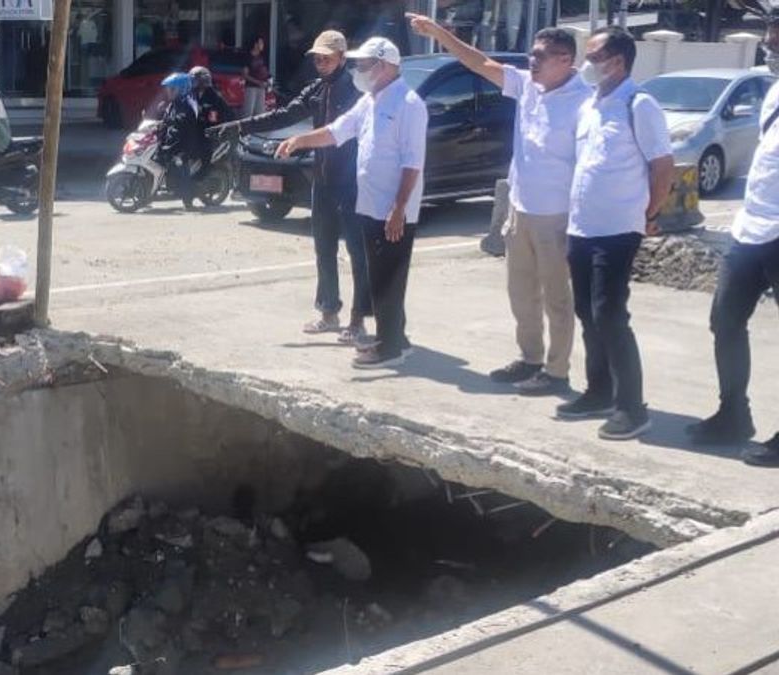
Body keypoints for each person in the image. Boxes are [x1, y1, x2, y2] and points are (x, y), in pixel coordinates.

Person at [408, 16, 589, 396]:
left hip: (557, 215)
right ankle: (530, 358)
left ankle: (557, 372)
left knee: (557, 296)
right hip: (520, 208)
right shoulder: (527, 86)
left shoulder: (585, 102)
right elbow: (478, 62)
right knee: (521, 292)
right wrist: (440, 34)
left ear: (565, 60)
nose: (531, 62)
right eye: (531, 55)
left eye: (539, 56)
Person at [208, 31, 370, 344]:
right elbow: (284, 115)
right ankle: (328, 312)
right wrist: (240, 125)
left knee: (356, 251)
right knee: (324, 248)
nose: (320, 63)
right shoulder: (317, 89)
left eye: (326, 57)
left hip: (351, 182)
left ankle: (358, 319)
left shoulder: (356, 91)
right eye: (317, 58)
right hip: (322, 181)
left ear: (342, 57)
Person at [277, 37, 427, 369]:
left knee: (390, 276)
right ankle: (393, 339)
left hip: (394, 210)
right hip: (370, 206)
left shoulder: (409, 104)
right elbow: (335, 131)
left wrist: (399, 208)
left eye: (363, 65)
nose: (358, 71)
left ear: (385, 66)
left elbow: (412, 163)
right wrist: (300, 140)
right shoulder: (370, 102)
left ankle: (390, 347)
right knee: (379, 276)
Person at [554, 27, 674, 440]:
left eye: (592, 57)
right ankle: (599, 390)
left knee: (610, 313)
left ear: (617, 61)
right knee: (587, 312)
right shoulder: (590, 104)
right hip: (583, 227)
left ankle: (632, 407)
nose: (585, 65)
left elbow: (663, 167)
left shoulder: (639, 104)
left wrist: (647, 213)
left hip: (618, 229)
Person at [688, 15, 779, 464]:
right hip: (752, 227)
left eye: (777, 36)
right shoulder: (774, 92)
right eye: (768, 34)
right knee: (724, 321)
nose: (769, 44)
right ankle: (733, 414)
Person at [157, 72, 202, 210]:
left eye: (172, 89)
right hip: (174, 142)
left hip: (184, 145)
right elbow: (167, 119)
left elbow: (183, 120)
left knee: (181, 168)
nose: (168, 92)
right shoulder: (173, 103)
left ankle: (188, 201)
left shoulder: (187, 103)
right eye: (168, 89)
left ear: (181, 89)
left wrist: (170, 119)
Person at [189, 66, 235, 181]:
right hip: (196, 128)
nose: (192, 83)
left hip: (212, 131)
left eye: (195, 80)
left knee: (205, 150)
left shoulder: (213, 97)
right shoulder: (192, 94)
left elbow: (212, 119)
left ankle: (200, 178)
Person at [241, 36, 270, 117]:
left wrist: (267, 81)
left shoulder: (262, 57)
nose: (262, 45)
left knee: (260, 112)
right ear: (255, 44)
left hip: (262, 87)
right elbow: (244, 74)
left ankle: (259, 129)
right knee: (248, 112)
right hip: (251, 87)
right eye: (260, 43)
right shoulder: (247, 56)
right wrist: (258, 82)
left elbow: (264, 71)